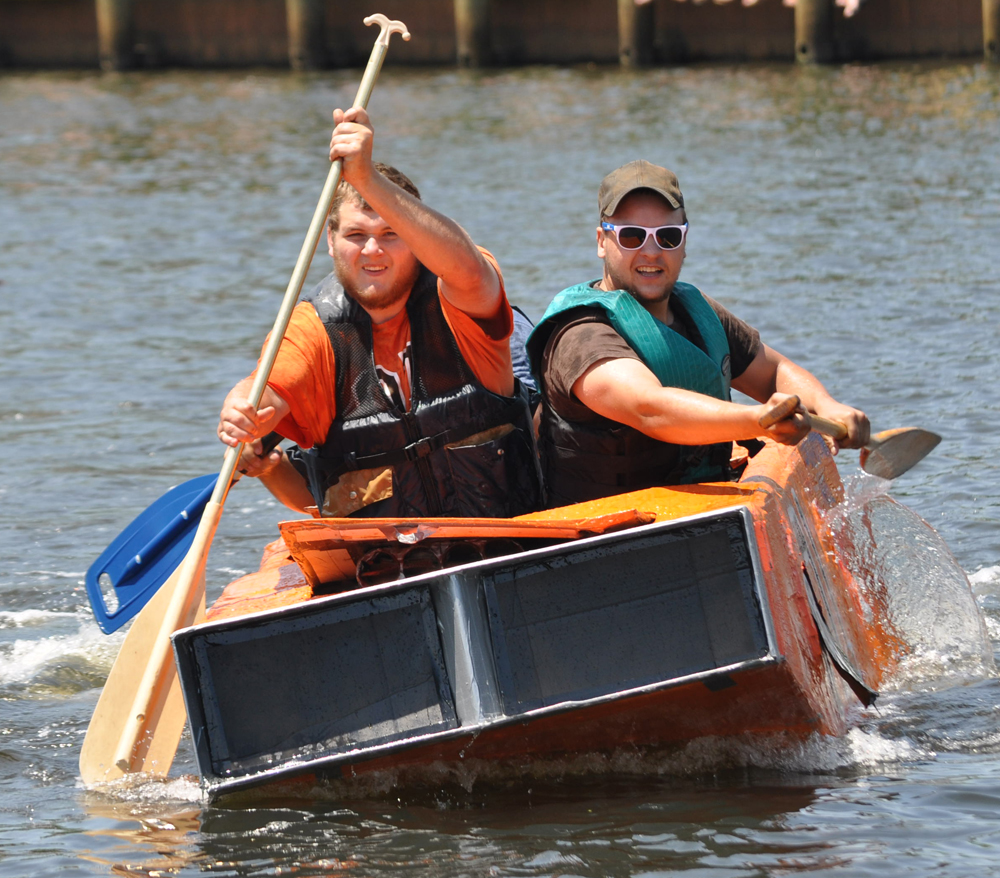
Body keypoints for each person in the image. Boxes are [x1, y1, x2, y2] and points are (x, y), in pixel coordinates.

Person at [218, 107, 542, 519]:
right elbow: (267, 389)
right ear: (330, 241)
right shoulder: (311, 329)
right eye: (356, 234)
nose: (373, 251)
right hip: (389, 554)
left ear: (416, 239)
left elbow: (470, 270)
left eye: (392, 233)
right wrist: (242, 410)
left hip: (508, 535)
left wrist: (366, 177)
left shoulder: (461, 296)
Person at [526, 159, 870, 507]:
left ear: (684, 242)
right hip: (606, 527)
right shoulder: (580, 333)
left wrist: (827, 406)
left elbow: (774, 373)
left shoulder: (697, 311)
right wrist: (758, 420)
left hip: (697, 510)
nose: (651, 251)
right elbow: (649, 408)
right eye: (632, 236)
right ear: (602, 242)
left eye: (668, 236)